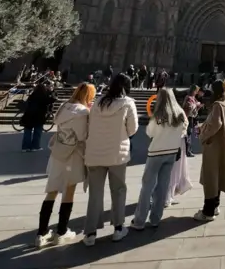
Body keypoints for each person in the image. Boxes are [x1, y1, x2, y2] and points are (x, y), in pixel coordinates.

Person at [36, 83, 95, 247]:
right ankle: (61, 232)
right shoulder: (82, 112)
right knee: (69, 191)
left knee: (51, 190)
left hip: (57, 152)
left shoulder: (64, 107)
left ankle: (41, 233)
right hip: (73, 155)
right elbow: (83, 135)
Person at [82, 73, 138, 246]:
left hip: (95, 153)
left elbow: (90, 124)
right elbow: (133, 129)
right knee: (118, 190)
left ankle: (90, 233)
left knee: (95, 194)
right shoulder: (127, 103)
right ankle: (118, 229)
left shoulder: (98, 102)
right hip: (117, 155)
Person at [131, 87, 188, 230]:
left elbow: (150, 132)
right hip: (171, 153)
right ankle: (156, 219)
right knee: (162, 187)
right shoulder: (180, 114)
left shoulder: (159, 115)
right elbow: (183, 130)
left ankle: (139, 221)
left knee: (147, 187)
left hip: (156, 153)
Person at [193, 79, 225, 222]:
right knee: (217, 176)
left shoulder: (217, 105)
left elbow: (215, 124)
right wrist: (204, 125)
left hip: (214, 146)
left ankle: (207, 212)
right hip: (222, 145)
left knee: (211, 177)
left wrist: (203, 135)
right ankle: (215, 206)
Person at [21, 82, 55, 152]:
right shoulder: (44, 96)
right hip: (39, 117)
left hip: (29, 115)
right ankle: (35, 146)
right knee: (37, 132)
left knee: (27, 132)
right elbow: (52, 99)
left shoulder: (32, 95)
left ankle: (25, 147)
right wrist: (50, 91)